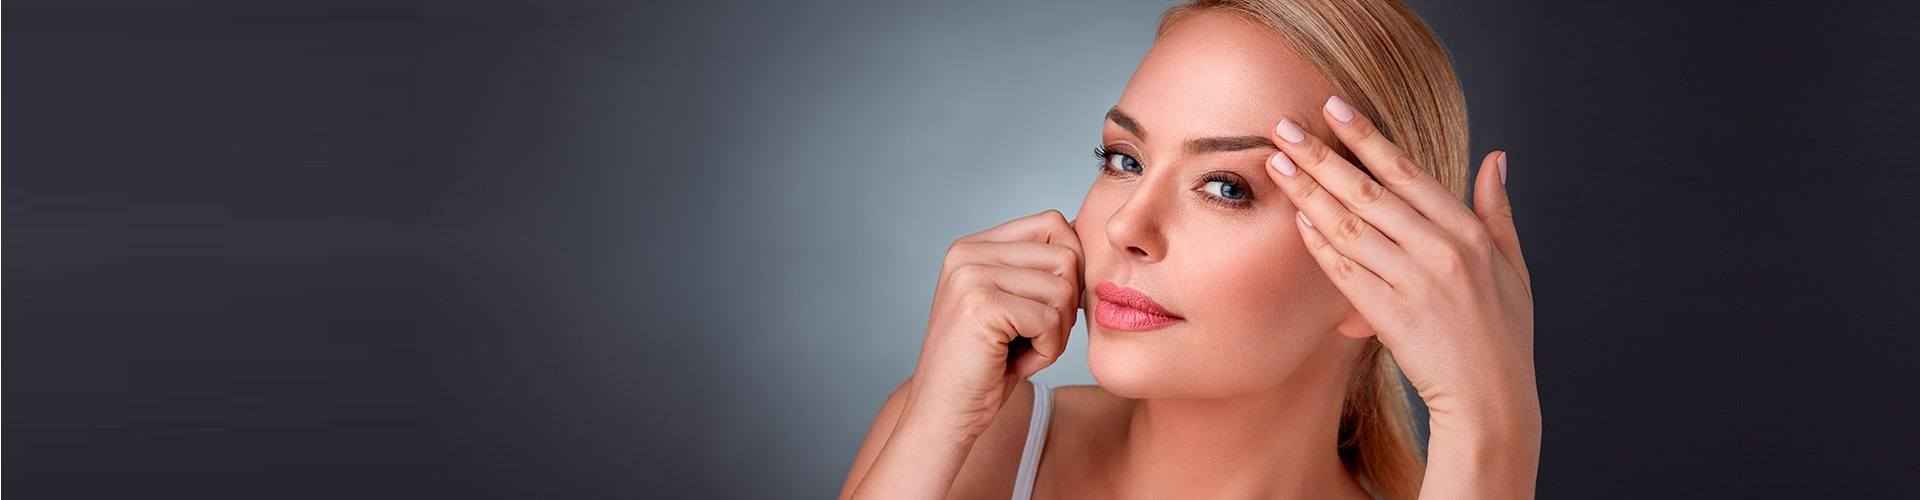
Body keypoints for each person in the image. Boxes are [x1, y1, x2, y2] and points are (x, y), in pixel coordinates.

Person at [841, 0, 1538, 498]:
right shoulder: (977, 442)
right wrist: (931, 432)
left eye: (1226, 187)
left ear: (1376, 275)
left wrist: (1489, 432)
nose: (1125, 227)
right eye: (1125, 160)